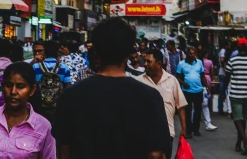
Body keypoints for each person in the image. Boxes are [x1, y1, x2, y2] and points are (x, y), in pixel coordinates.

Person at [52, 18, 170, 159]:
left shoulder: (70, 96)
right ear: (129, 51)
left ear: (96, 49)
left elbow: (63, 152)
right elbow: (156, 154)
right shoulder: (150, 97)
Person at [0, 61, 56, 159]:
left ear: (32, 90)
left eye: (20, 86)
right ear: (2, 86)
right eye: (8, 85)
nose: (13, 92)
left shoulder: (43, 127)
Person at [138, 48, 188, 158]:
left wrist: (184, 129)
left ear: (159, 63)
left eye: (149, 61)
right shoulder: (139, 81)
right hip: (144, 133)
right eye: (145, 61)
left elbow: (181, 106)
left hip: (166, 133)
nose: (145, 64)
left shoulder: (172, 80)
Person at [226, 37, 247, 155]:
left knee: (237, 119)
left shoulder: (232, 61)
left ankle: (245, 141)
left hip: (235, 94)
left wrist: (224, 91)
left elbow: (227, 77)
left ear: (238, 48)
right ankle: (238, 143)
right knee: (242, 119)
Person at [32, 40, 71, 122]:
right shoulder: (64, 67)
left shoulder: (35, 67)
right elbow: (68, 87)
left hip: (40, 106)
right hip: (58, 106)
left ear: (44, 51)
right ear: (57, 52)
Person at [176, 46, 205, 138]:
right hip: (187, 91)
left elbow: (202, 75)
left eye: (194, 53)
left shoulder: (199, 62)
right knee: (187, 112)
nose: (192, 55)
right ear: (187, 54)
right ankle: (188, 130)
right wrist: (184, 83)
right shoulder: (181, 64)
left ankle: (196, 129)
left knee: (198, 110)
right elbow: (177, 77)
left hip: (198, 90)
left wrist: (207, 87)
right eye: (190, 54)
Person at [200, 49, 218, 132]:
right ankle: (207, 122)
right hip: (207, 78)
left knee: (203, 103)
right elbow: (211, 72)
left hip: (201, 81)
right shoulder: (209, 62)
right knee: (205, 101)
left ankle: (205, 121)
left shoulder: (199, 62)